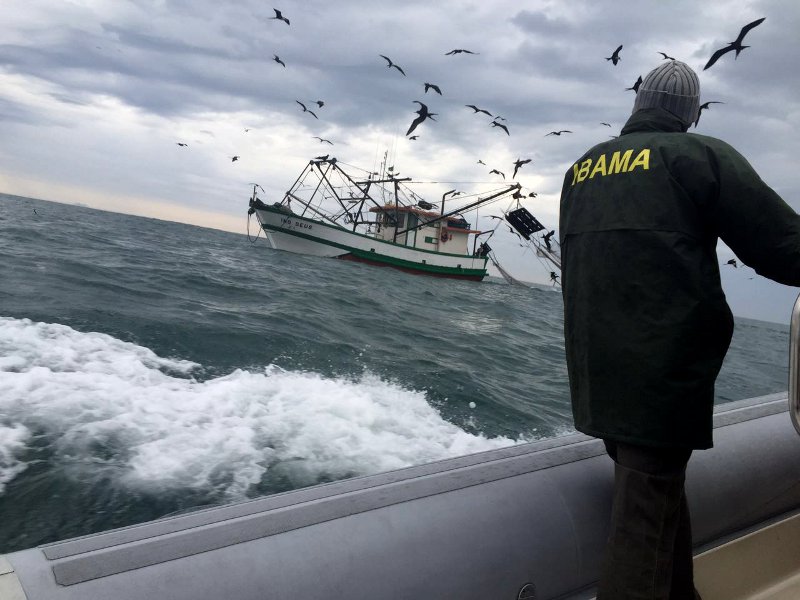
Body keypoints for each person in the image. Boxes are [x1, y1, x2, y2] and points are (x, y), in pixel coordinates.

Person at [558, 60, 800, 599]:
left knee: (654, 489)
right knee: (642, 520)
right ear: (690, 113)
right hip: (661, 371)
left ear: (638, 102)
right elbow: (781, 246)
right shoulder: (699, 156)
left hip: (596, 368)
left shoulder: (582, 168)